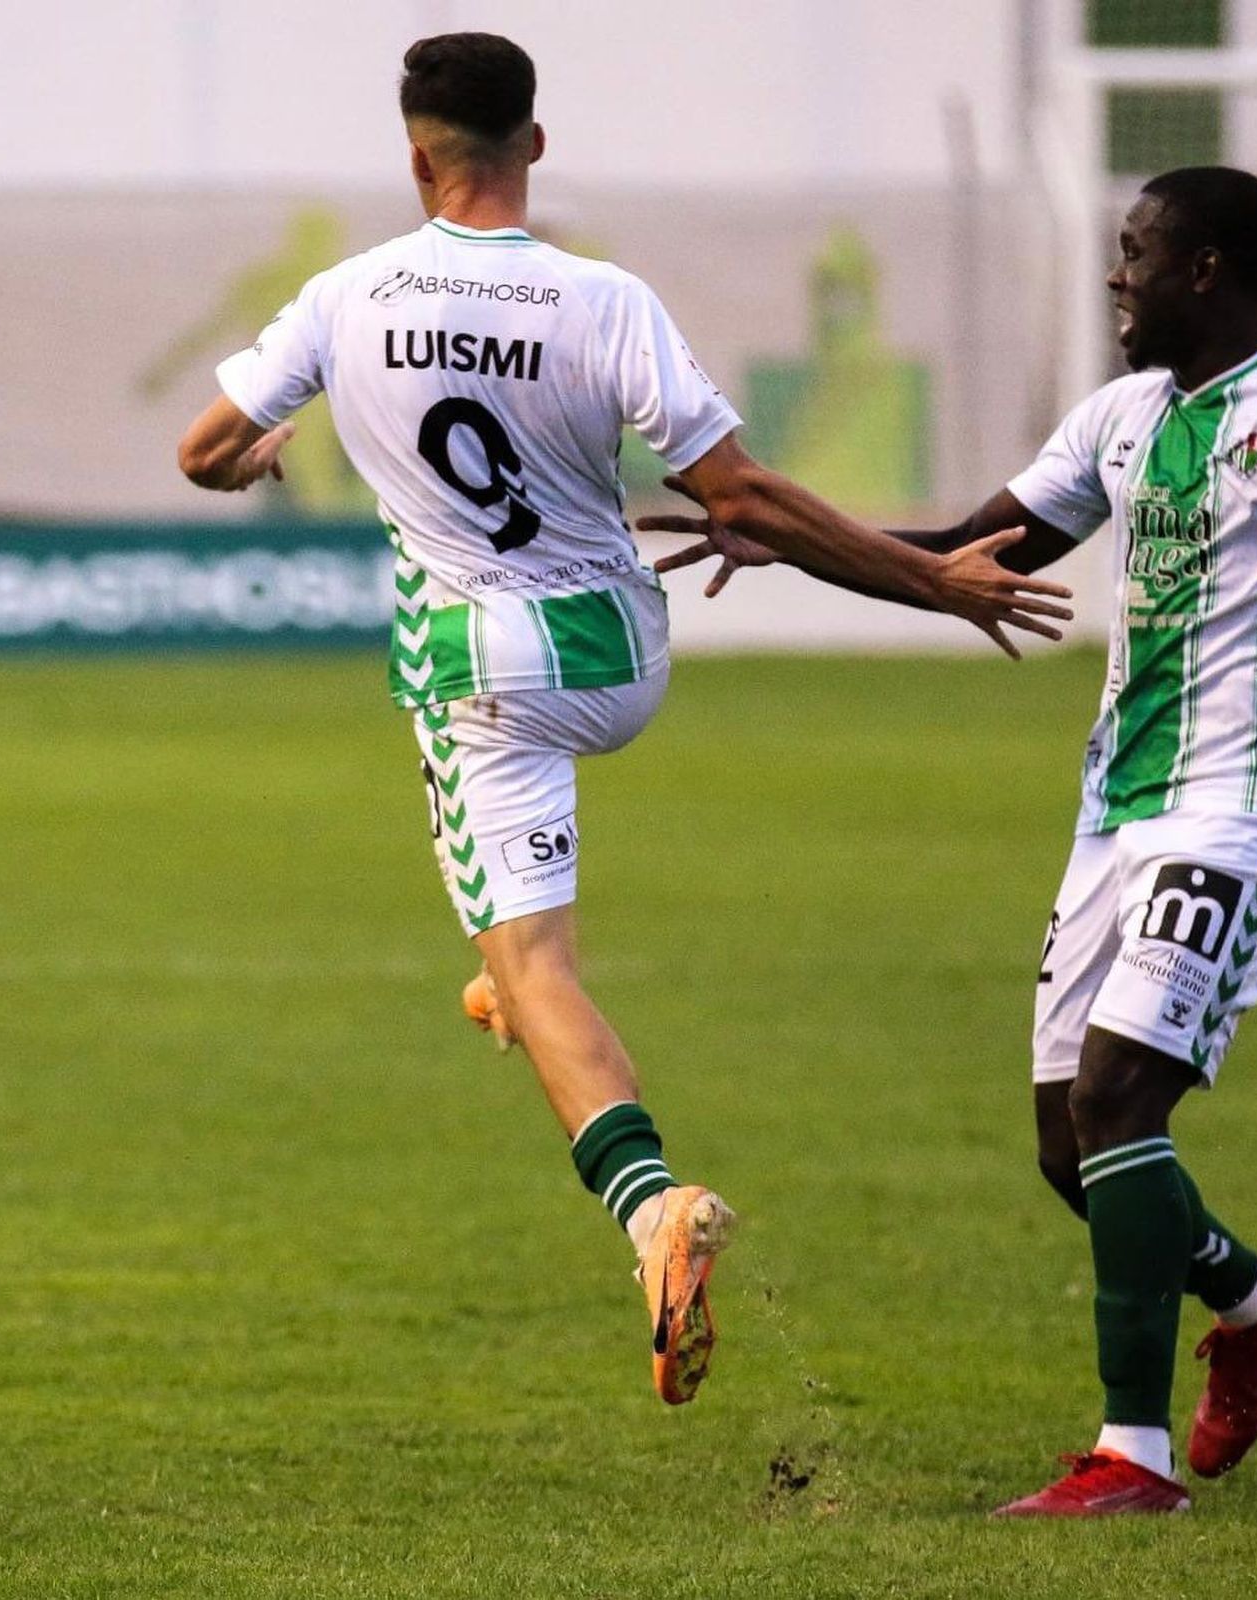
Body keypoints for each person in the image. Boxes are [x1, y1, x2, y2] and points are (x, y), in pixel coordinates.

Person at [176, 32, 1073, 1408]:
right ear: (536, 144)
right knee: (519, 958)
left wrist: (256, 456)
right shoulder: (604, 300)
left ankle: (648, 1205)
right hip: (620, 651)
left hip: (480, 671)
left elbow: (204, 448)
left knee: (534, 966)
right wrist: (933, 582)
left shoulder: (345, 297)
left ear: (416, 156)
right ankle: (512, 983)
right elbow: (745, 497)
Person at [649, 166, 1257, 1502]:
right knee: (1073, 1146)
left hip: (1247, 801)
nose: (1117, 275)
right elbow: (970, 547)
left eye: (1138, 252)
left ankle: (1134, 1457)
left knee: (1126, 1099)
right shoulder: (1125, 418)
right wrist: (801, 546)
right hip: (1118, 806)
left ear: (1209, 271)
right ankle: (1253, 1301)